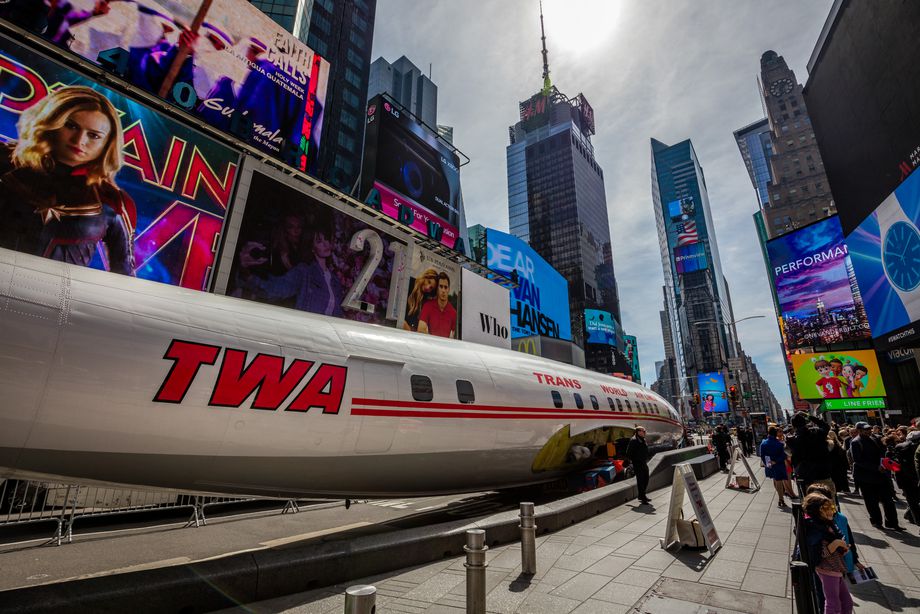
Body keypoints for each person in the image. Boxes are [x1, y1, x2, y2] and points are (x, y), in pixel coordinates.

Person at [0, 86, 136, 275]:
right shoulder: (6, 160)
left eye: (94, 135)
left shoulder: (114, 201)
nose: (79, 140)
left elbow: (124, 276)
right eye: (71, 126)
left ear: (108, 143)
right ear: (53, 121)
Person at [237, 219, 344, 317]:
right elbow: (275, 290)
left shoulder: (335, 280)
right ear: (312, 247)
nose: (326, 244)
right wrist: (246, 274)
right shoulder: (304, 272)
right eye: (319, 241)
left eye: (326, 239)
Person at [802, 492, 855, 614]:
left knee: (847, 603)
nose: (831, 511)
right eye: (826, 508)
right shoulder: (815, 528)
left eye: (832, 507)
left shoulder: (828, 524)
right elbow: (820, 552)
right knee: (833, 603)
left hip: (837, 568)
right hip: (827, 569)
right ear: (816, 510)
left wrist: (843, 548)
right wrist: (836, 543)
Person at [850, 422, 903, 530]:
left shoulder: (874, 438)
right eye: (866, 429)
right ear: (859, 430)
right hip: (866, 477)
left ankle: (892, 523)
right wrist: (875, 467)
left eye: (869, 429)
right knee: (871, 501)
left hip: (880, 475)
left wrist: (885, 462)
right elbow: (857, 461)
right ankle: (876, 522)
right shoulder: (856, 442)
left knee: (888, 500)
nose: (869, 431)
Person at [806, 484, 865, 576]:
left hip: (831, 568)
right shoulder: (831, 520)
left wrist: (854, 559)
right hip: (836, 567)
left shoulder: (833, 520)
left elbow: (848, 540)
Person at [786, 411, 834, 496]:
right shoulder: (817, 433)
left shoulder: (791, 440)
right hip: (823, 473)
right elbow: (825, 425)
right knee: (829, 503)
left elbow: (789, 453)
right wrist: (808, 416)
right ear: (806, 423)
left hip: (806, 477)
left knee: (810, 502)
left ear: (793, 426)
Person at [761, 426, 795, 508]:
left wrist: (768, 462)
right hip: (778, 464)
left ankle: (780, 497)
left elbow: (762, 455)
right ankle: (781, 499)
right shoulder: (779, 444)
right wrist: (775, 461)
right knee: (779, 480)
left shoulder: (763, 443)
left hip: (769, 464)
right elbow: (783, 456)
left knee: (774, 479)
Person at [893, 430, 920, 527]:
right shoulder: (915, 448)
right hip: (914, 478)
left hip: (905, 479)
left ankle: (915, 519)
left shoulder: (900, 447)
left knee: (912, 501)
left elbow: (896, 466)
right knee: (915, 501)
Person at [418, 272, 456, 338]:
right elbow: (420, 330)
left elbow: (454, 338)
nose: (443, 290)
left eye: (445, 287)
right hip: (430, 346)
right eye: (441, 287)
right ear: (437, 289)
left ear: (448, 289)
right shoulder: (428, 306)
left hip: (445, 347)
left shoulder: (453, 313)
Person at [627, 426, 651, 504]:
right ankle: (643, 497)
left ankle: (641, 495)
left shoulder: (642, 439)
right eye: (643, 431)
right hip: (637, 463)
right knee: (640, 480)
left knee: (646, 478)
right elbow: (629, 453)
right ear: (638, 432)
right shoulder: (633, 440)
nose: (645, 432)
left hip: (643, 462)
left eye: (645, 431)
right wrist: (633, 461)